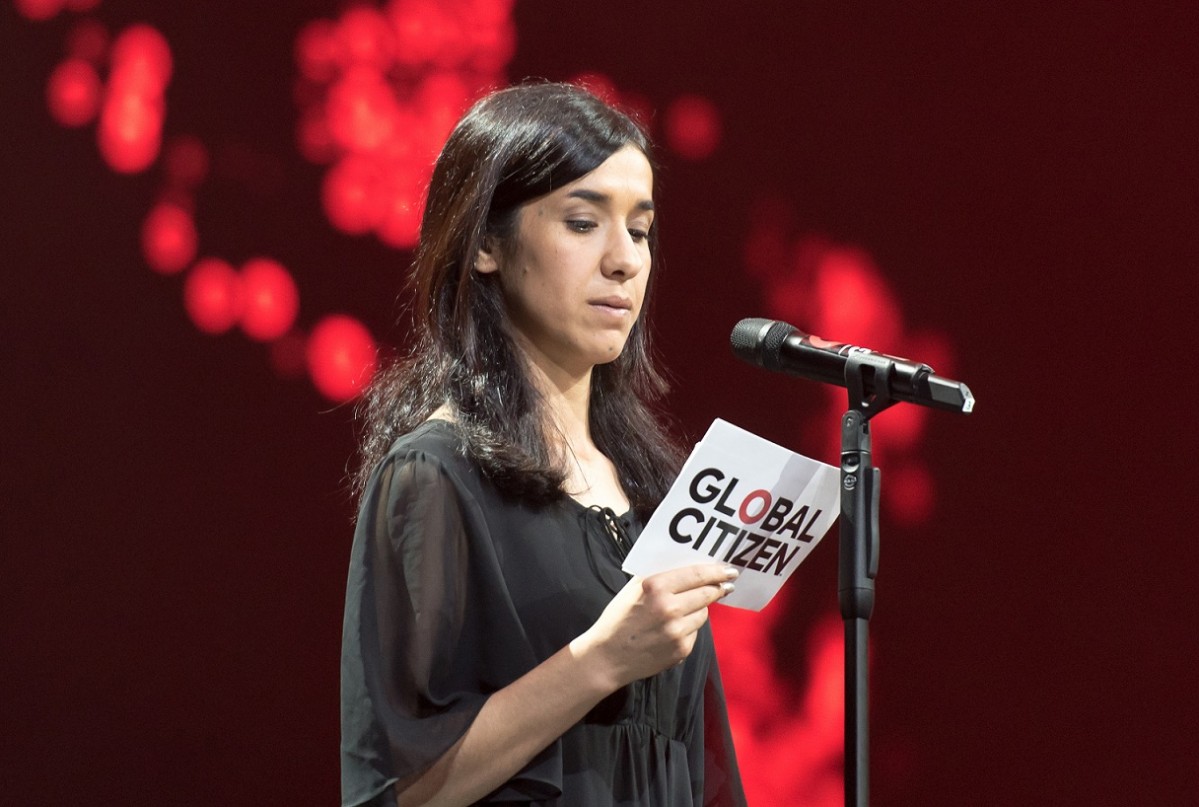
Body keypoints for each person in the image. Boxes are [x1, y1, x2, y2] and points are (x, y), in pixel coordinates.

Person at [341, 81, 746, 807]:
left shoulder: (654, 495)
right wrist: (598, 660)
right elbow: (399, 789)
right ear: (487, 244)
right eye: (583, 223)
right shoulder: (435, 476)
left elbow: (699, 765)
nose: (624, 260)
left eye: (641, 230)